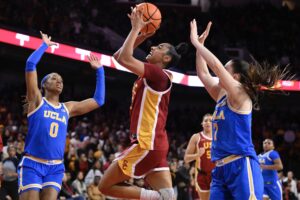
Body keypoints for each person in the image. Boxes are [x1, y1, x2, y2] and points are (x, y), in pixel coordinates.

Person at [190, 19, 289, 200]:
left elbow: (215, 67)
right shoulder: (221, 94)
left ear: (235, 76)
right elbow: (203, 74)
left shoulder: (240, 94)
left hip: (240, 164)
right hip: (219, 169)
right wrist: (200, 47)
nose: (219, 73)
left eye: (225, 70)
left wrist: (196, 43)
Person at [98, 7, 187, 200]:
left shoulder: (158, 74)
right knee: (168, 197)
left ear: (166, 58)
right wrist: (143, 35)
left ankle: (153, 198)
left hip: (147, 143)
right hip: (157, 144)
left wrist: (136, 29)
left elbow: (123, 58)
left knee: (105, 186)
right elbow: (117, 57)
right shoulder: (155, 75)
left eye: (160, 47)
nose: (153, 47)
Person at [18, 31, 105, 200]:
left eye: (61, 80)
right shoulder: (36, 101)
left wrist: (100, 71)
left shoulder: (68, 108)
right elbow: (30, 64)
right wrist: (44, 45)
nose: (59, 81)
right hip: (32, 164)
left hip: (55, 167)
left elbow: (98, 100)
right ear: (43, 85)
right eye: (53, 78)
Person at [184, 113, 215, 200]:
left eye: (210, 120)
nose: (208, 122)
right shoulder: (196, 137)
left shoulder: (219, 137)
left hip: (216, 175)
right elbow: (186, 159)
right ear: (202, 123)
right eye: (205, 120)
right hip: (202, 175)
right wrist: (197, 155)